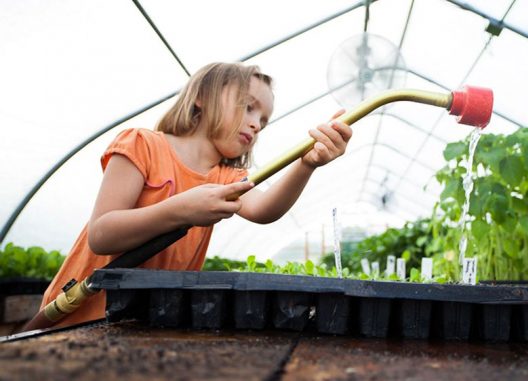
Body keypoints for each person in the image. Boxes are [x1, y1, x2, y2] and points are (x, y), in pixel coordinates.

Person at [39, 62, 352, 328]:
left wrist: (306, 163)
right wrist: (181, 210)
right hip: (79, 315)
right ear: (202, 97)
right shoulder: (142, 145)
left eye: (264, 120)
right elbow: (102, 235)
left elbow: (264, 210)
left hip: (142, 324)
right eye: (247, 106)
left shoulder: (225, 176)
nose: (256, 124)